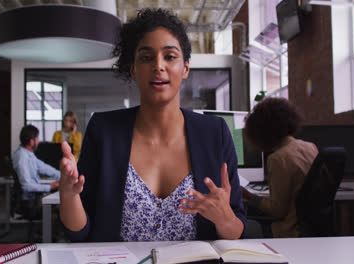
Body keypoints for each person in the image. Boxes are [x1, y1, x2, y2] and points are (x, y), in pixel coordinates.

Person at [59, 8, 247, 242]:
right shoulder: (103, 131)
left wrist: (224, 218)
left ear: (185, 67)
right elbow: (80, 233)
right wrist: (68, 195)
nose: (159, 66)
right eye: (146, 58)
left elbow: (237, 231)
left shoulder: (215, 133)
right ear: (133, 69)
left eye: (170, 56)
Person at [241, 98, 318, 238]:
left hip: (287, 231)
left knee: (241, 226)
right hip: (310, 228)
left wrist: (248, 196)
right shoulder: (309, 147)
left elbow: (277, 211)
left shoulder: (278, 158)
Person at [13, 125, 60, 201]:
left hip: (35, 197)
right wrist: (49, 187)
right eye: (37, 139)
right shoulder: (22, 157)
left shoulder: (28, 154)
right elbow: (26, 186)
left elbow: (43, 167)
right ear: (31, 141)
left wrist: (62, 175)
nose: (38, 142)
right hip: (30, 200)